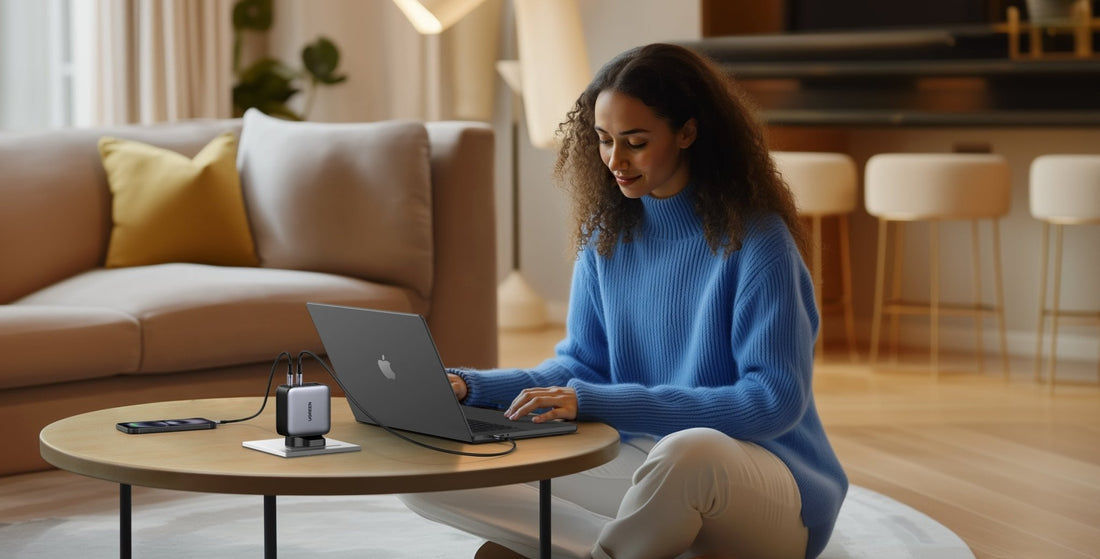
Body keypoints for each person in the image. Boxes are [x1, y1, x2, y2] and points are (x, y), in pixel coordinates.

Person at [399, 42, 847, 559]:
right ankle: (640, 548)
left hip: (761, 487)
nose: (615, 160)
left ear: (687, 132)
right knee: (429, 468)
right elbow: (579, 366)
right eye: (604, 140)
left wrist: (593, 400)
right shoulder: (606, 235)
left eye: (635, 142)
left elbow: (772, 401)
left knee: (689, 450)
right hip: (649, 464)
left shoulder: (757, 240)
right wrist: (468, 387)